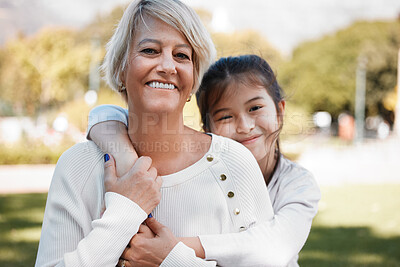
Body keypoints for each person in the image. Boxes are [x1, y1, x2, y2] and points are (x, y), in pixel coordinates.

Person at [35, 1, 274, 266]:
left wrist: (172, 260)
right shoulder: (77, 166)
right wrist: (125, 210)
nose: (167, 66)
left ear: (194, 78)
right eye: (150, 50)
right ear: (121, 68)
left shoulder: (235, 163)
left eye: (182, 55)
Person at [87, 55, 321, 266]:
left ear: (279, 111)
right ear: (206, 129)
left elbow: (274, 251)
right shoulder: (204, 171)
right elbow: (104, 113)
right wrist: (125, 156)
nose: (245, 126)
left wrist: (169, 249)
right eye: (226, 116)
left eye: (256, 108)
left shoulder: (298, 184)